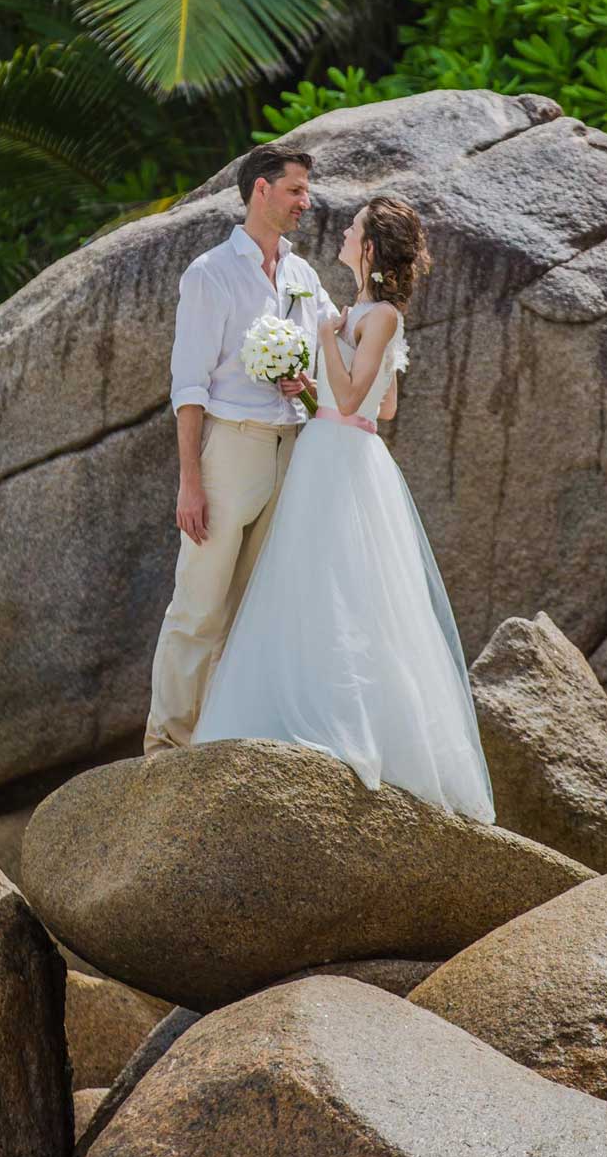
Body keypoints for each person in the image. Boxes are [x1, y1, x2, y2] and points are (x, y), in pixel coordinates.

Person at [191, 193, 496, 821]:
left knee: (351, 589)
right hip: (324, 447)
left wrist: (326, 343)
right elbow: (373, 401)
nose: (344, 233)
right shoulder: (358, 310)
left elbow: (364, 400)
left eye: (354, 229)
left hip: (345, 458)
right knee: (308, 584)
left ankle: (351, 725)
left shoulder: (378, 315)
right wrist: (310, 386)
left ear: (371, 247)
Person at [143, 145, 337, 756]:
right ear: (261, 189)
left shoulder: (304, 278)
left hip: (291, 451)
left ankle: (217, 741)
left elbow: (337, 354)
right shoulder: (209, 274)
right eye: (296, 190)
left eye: (306, 191)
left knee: (253, 609)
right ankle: (167, 744)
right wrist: (190, 481)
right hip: (229, 451)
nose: (306, 202)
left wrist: (311, 386)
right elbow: (189, 387)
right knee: (199, 605)